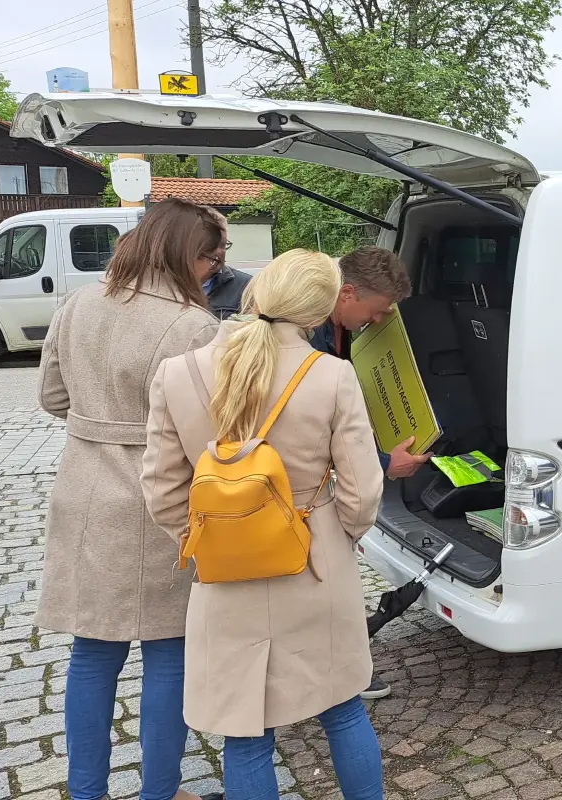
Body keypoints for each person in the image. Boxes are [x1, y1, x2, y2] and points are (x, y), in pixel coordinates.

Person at [142, 249, 385, 800]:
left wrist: (209, 540)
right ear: (320, 311)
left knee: (245, 734)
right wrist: (337, 535)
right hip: (315, 558)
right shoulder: (332, 374)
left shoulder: (178, 373)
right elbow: (363, 488)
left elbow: (161, 488)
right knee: (343, 710)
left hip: (226, 572)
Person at [36, 198, 224, 800]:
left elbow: (52, 398)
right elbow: (202, 433)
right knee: (169, 652)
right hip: (155, 498)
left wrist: (101, 419)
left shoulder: (78, 303)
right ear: (185, 254)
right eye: (211, 256)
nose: (214, 270)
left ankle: (86, 791)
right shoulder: (192, 326)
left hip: (82, 492)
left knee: (92, 654)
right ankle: (160, 791)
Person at [310, 245, 430, 700]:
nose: (380, 321)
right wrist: (384, 465)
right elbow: (314, 437)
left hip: (327, 486)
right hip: (306, 493)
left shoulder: (338, 330)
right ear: (347, 293)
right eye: (377, 311)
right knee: (320, 581)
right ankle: (337, 676)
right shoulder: (307, 340)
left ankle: (338, 666)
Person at [200, 215, 252, 319]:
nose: (219, 251)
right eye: (212, 245)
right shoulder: (170, 284)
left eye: (223, 245)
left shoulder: (247, 286)